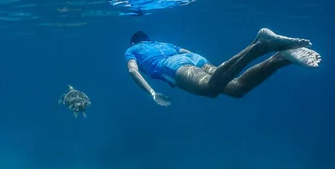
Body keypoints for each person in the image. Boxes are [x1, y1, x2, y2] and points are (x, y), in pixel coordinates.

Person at [125, 28, 321, 106]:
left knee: (210, 89)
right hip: (193, 58)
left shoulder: (132, 50)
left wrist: (152, 93)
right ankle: (281, 58)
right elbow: (187, 52)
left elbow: (133, 70)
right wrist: (202, 66)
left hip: (169, 66)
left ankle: (258, 45)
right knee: (236, 88)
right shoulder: (162, 43)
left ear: (134, 43)